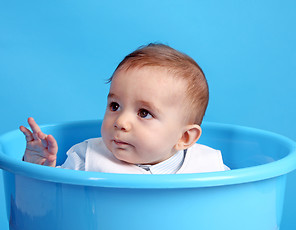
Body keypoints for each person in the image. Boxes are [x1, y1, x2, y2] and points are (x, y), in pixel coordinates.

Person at [19, 43, 229, 174]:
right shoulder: (87, 159)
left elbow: (235, 207)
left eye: (144, 113)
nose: (120, 122)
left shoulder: (209, 167)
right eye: (115, 106)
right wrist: (39, 168)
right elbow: (49, 205)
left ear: (184, 138)